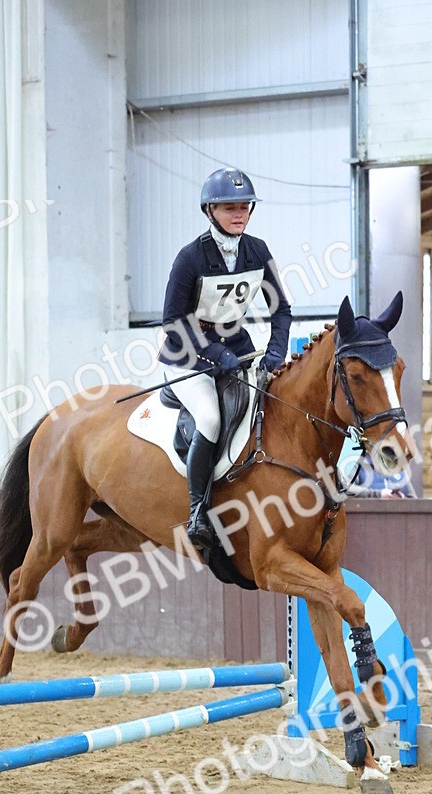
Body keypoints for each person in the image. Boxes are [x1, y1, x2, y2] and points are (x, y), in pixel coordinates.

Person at [158, 167, 291, 550]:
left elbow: (281, 310)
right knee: (211, 418)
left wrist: (276, 353)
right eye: (228, 207)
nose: (239, 214)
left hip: (239, 349)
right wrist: (215, 353)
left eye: (244, 207)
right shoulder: (190, 258)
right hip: (187, 355)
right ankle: (198, 512)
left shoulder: (257, 251)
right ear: (210, 211)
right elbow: (173, 322)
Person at [338, 449, 417, 498]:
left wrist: (401, 499)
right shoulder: (358, 464)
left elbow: (413, 499)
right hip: (367, 519)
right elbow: (348, 489)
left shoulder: (397, 465)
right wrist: (379, 494)